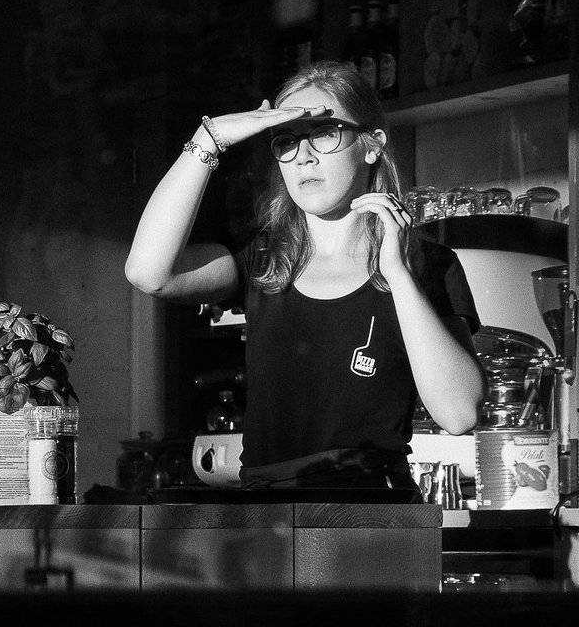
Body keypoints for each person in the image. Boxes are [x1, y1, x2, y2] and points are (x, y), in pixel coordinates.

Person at [125, 60, 483, 490]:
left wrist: (397, 273)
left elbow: (459, 413)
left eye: (325, 133)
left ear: (372, 144)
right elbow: (148, 273)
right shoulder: (264, 260)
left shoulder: (426, 264)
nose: (304, 156)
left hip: (371, 512)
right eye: (287, 141)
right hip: (268, 513)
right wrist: (209, 139)